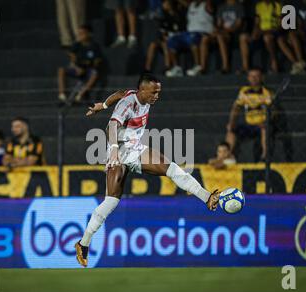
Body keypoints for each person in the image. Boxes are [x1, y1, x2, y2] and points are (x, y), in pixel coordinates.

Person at [76, 73, 221, 267]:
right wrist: (113, 152)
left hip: (136, 149)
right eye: (154, 92)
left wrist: (102, 105)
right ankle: (83, 244)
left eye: (159, 92)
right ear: (143, 90)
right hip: (118, 150)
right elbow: (111, 125)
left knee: (172, 168)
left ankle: (207, 197)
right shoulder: (128, 104)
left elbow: (119, 93)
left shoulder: (133, 94)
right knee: (110, 202)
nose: (157, 96)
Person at [225, 68, 273, 162]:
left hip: (262, 125)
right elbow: (236, 108)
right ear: (248, 78)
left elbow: (273, 111)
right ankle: (227, 156)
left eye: (256, 76)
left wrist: (266, 121)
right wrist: (231, 123)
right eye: (251, 76)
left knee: (265, 128)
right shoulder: (244, 91)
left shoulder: (266, 92)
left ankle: (265, 157)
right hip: (249, 125)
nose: (254, 78)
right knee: (231, 130)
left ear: (262, 78)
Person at [248, 0, 306, 74]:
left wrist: (271, 30)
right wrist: (255, 32)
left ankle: (276, 62)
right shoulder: (259, 6)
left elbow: (281, 24)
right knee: (250, 38)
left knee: (269, 38)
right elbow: (257, 22)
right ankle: (296, 63)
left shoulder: (277, 5)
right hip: (262, 31)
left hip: (274, 31)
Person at [166, 0, 214, 77]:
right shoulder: (191, 5)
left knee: (192, 38)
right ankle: (177, 67)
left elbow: (210, 7)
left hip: (202, 32)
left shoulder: (206, 4)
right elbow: (184, 2)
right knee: (172, 40)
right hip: (188, 33)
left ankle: (197, 65)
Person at [57, 24, 103, 103]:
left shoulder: (94, 46)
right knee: (61, 70)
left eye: (82, 33)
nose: (80, 35)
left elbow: (97, 62)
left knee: (95, 73)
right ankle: (62, 94)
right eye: (79, 33)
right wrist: (76, 67)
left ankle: (80, 95)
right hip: (77, 69)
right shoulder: (76, 45)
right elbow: (72, 58)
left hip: (89, 70)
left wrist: (87, 68)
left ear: (89, 34)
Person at [144, 0, 187, 73]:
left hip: (177, 37)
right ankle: (147, 68)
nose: (163, 5)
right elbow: (162, 30)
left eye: (165, 3)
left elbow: (180, 28)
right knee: (153, 44)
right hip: (166, 37)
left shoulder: (178, 14)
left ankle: (168, 66)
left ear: (170, 4)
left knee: (165, 43)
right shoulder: (164, 16)